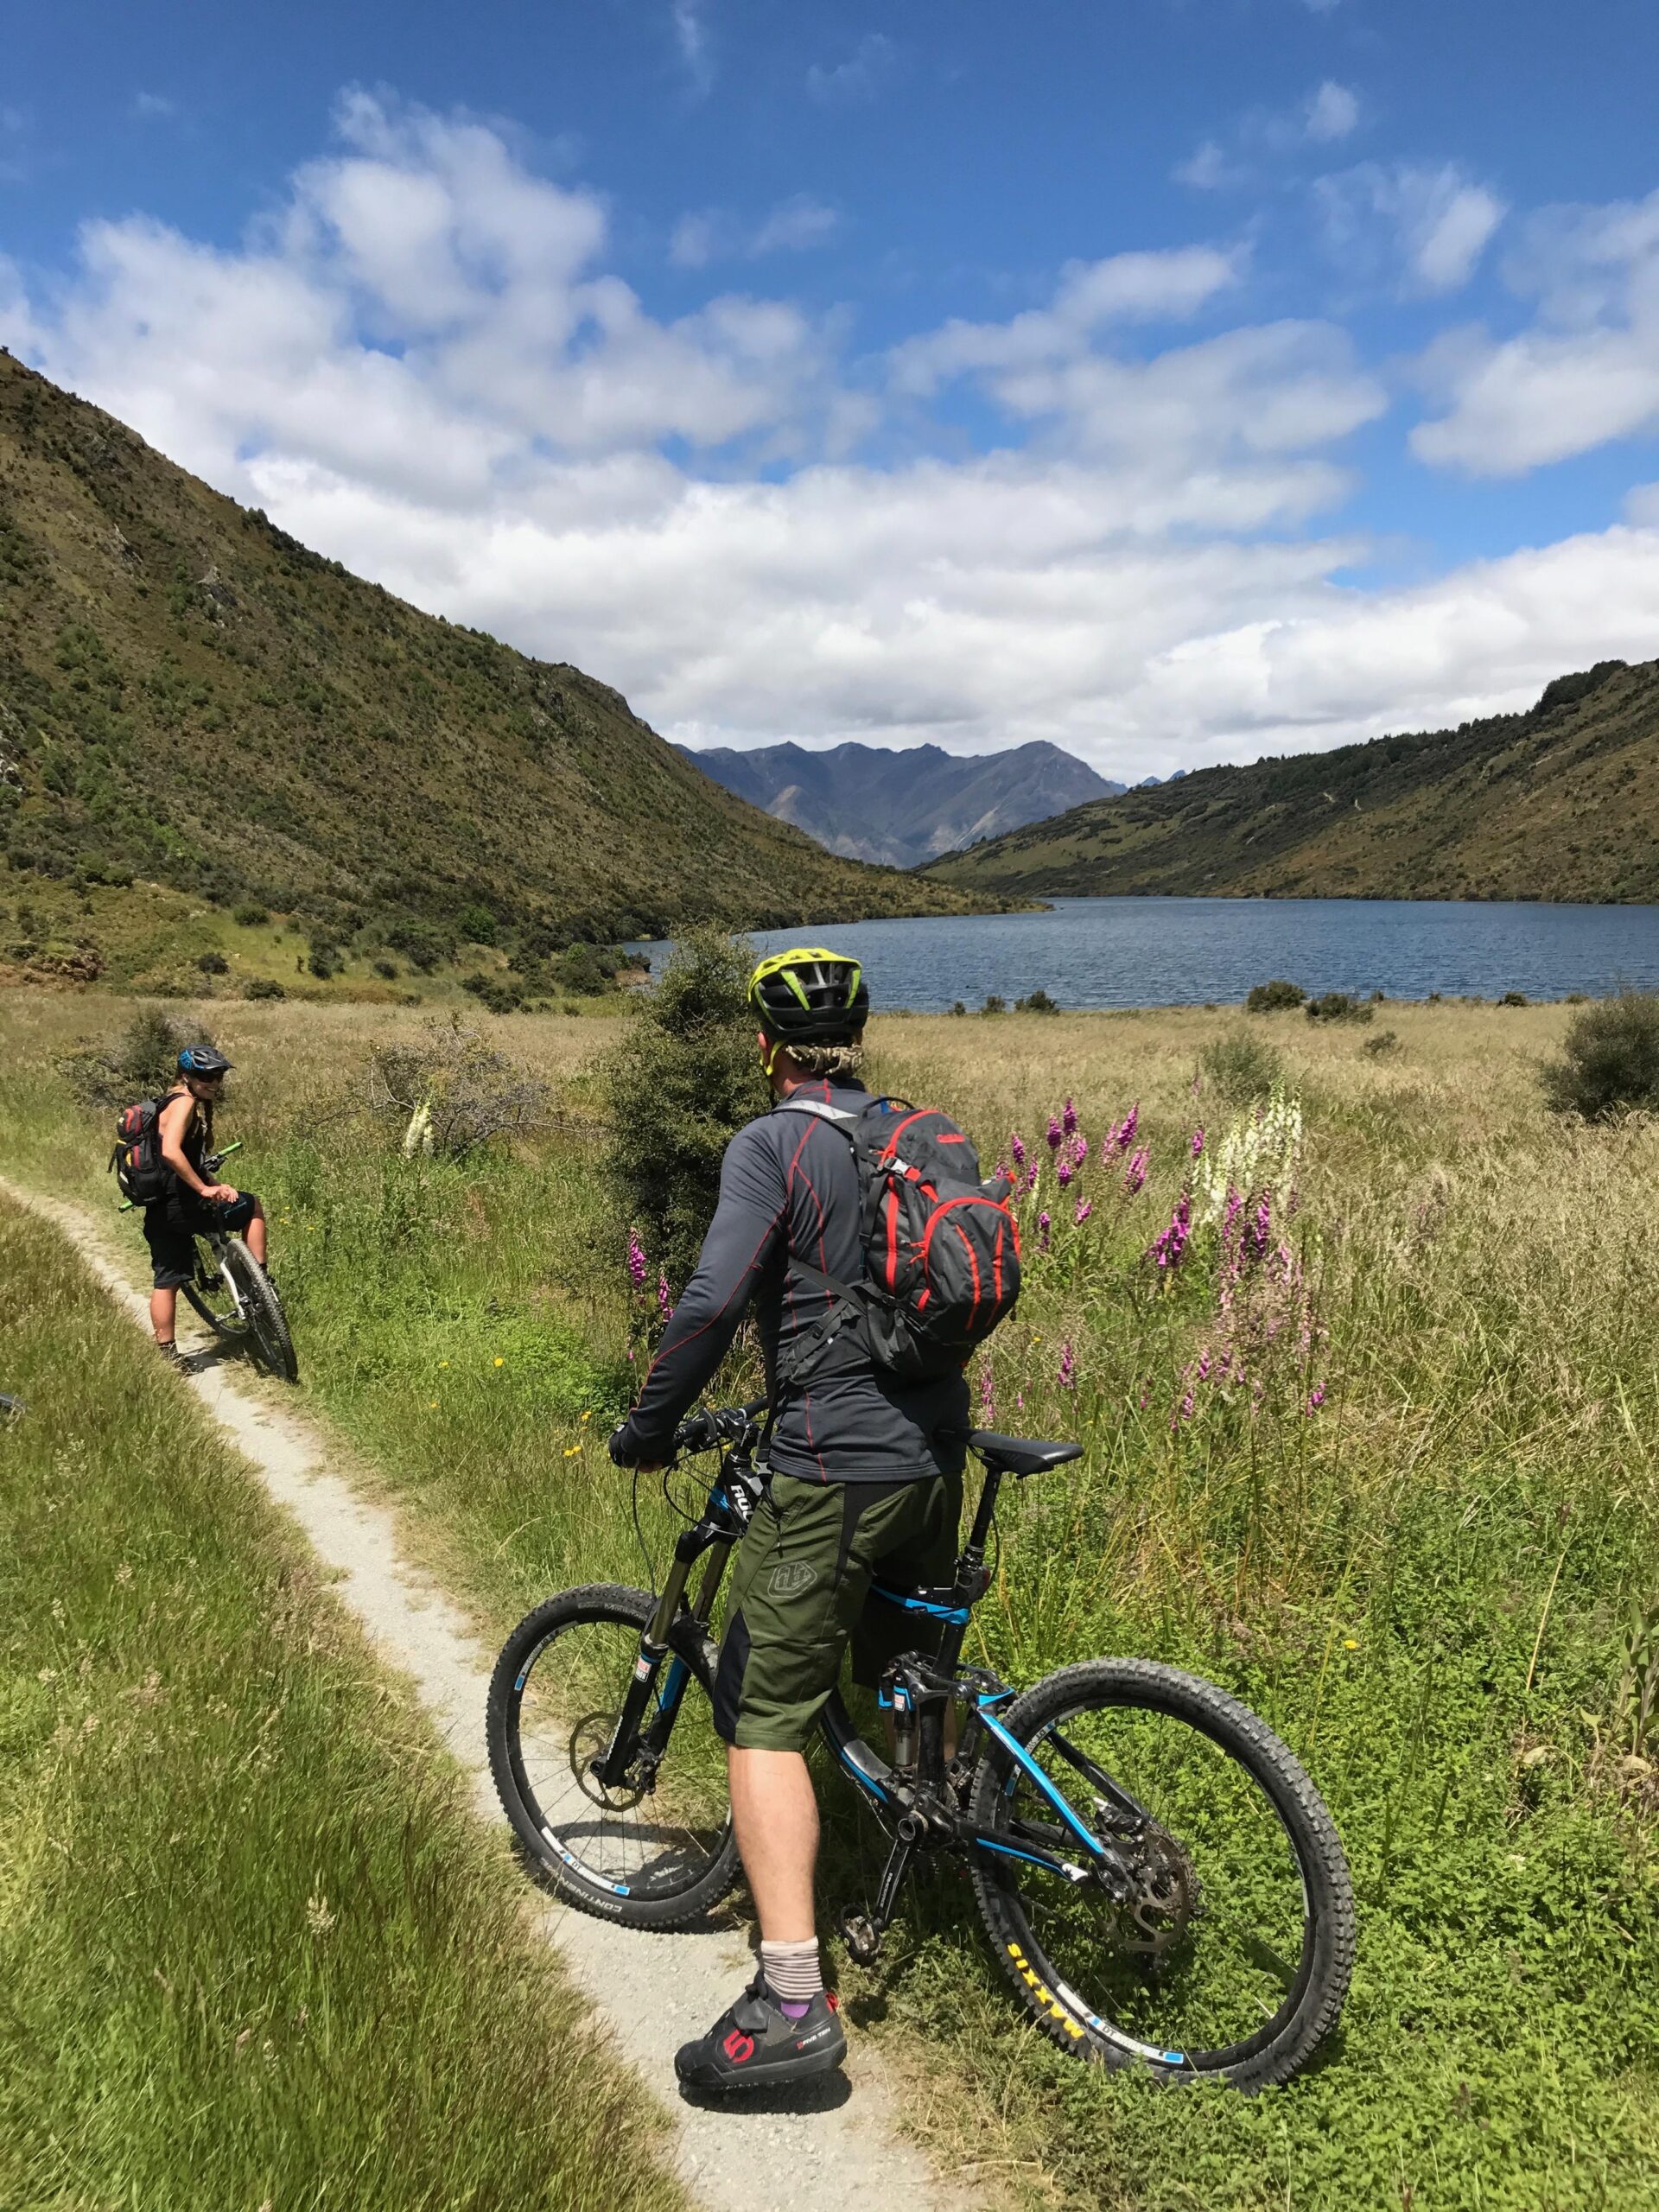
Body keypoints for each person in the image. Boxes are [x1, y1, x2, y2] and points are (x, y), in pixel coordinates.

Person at [609, 947, 976, 2092]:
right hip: (934, 1458)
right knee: (908, 1670)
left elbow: (714, 1299)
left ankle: (792, 2000)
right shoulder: (921, 1137)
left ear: (765, 1050)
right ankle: (969, 1871)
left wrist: (649, 1421)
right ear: (859, 1041)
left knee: (764, 1713)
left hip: (832, 1466)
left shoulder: (774, 1142)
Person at [143, 1045, 268, 1365]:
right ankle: (261, 1286)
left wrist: (214, 1185)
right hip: (185, 1206)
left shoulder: (166, 1102)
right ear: (186, 1076)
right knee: (252, 1206)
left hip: (160, 1208)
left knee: (166, 1279)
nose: (214, 1082)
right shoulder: (184, 1103)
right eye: (206, 1076)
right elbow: (171, 1152)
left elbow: (181, 1159)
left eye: (218, 1075)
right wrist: (203, 1189)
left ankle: (168, 1356)